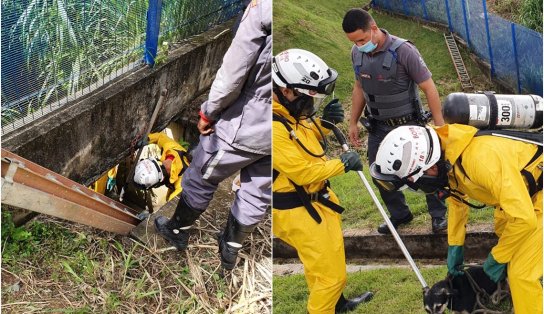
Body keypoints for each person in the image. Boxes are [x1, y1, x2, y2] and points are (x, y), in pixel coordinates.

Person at [369, 124, 542, 314]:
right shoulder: (449, 155)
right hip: (522, 195)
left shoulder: (480, 160)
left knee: (521, 273)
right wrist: (455, 250)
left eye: (417, 182)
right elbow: (458, 204)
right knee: (507, 238)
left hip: (536, 197)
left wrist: (495, 261)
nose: (419, 187)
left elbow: (524, 219)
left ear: (431, 167)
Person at [152, 0, 271, 271]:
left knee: (202, 176)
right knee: (257, 190)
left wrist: (209, 112)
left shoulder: (262, 10)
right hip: (275, 129)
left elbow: (232, 74)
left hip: (246, 124)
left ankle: (178, 231)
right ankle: (230, 249)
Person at [272, 48, 373, 314]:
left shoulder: (288, 114)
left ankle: (336, 305)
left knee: (322, 265)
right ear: (287, 91)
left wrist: (326, 125)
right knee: (331, 277)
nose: (310, 106)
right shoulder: (272, 125)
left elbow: (303, 141)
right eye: (308, 98)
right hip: (298, 209)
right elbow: (302, 171)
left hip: (315, 203)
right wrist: (341, 164)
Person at [342, 8, 447, 234]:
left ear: (373, 28)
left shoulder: (404, 51)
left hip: (409, 124)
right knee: (379, 172)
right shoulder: (356, 53)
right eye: (354, 42)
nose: (359, 45)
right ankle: (400, 214)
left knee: (427, 170)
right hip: (379, 127)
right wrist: (353, 122)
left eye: (361, 39)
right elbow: (359, 87)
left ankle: (439, 216)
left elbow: (429, 87)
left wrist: (440, 127)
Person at [133, 132, 190, 202]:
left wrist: (169, 199)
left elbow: (173, 204)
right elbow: (160, 137)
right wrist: (148, 139)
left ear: (161, 180)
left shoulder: (182, 184)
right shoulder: (170, 148)